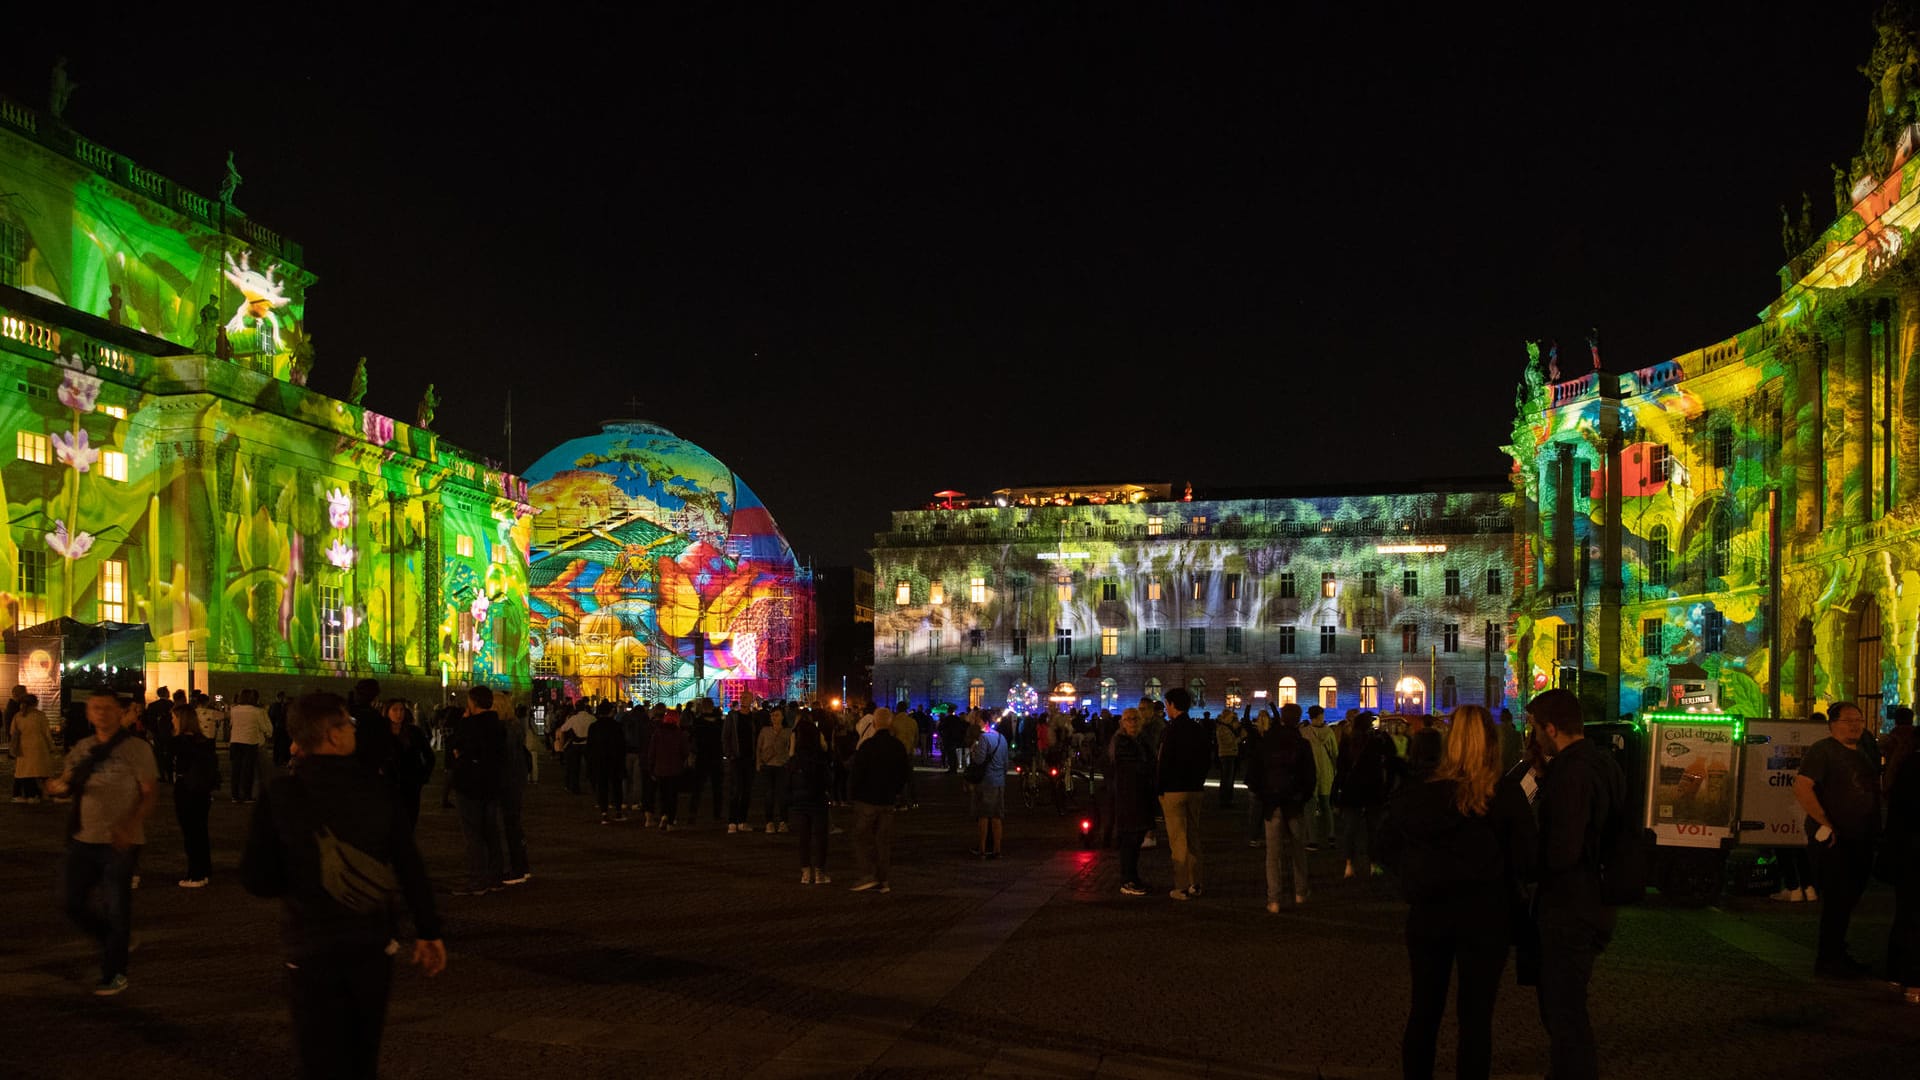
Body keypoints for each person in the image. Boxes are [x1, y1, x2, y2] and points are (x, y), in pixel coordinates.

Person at [240, 691, 446, 1079]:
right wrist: (428, 930)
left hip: (309, 942)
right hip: (370, 939)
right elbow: (408, 864)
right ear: (333, 735)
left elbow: (257, 878)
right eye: (348, 724)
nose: (353, 730)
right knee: (362, 1052)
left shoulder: (282, 793)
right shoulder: (377, 787)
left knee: (317, 1053)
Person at [1378, 705, 1537, 1080]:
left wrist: (1411, 877)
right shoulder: (1505, 796)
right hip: (1486, 918)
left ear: (1451, 742)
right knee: (1476, 1019)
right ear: (1492, 743)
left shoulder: (1420, 793)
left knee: (1424, 1011)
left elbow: (1385, 844)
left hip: (1429, 915)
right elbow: (1528, 861)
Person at [1528, 688, 1622, 1080]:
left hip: (1570, 905)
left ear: (1551, 729)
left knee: (1564, 1009)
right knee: (1566, 1005)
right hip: (1598, 899)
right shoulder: (1606, 764)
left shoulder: (1570, 773)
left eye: (1534, 729)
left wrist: (1530, 856)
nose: (1532, 738)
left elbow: (1563, 849)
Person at [46, 690, 158, 995]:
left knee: (117, 907)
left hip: (121, 842)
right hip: (84, 837)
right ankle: (113, 939)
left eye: (108, 708)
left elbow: (149, 793)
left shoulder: (136, 748)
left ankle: (114, 973)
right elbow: (67, 781)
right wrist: (56, 787)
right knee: (71, 902)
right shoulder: (83, 748)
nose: (101, 713)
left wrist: (130, 825)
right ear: (88, 714)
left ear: (120, 712)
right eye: (95, 708)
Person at [1794, 701, 1883, 977]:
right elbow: (1802, 786)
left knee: (1850, 896)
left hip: (1862, 837)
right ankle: (1829, 958)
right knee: (1837, 899)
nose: (1855, 725)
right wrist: (1825, 822)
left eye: (1859, 720)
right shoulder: (1823, 751)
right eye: (1848, 721)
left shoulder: (1865, 749)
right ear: (1833, 724)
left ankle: (1837, 951)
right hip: (1836, 840)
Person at [1249, 703, 1318, 911]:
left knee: (1273, 854)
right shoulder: (1302, 743)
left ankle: (1274, 899)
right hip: (1294, 803)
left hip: (1272, 804)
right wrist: (1302, 797)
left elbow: (1254, 774)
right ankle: (1300, 892)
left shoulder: (1266, 742)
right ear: (1298, 720)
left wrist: (1264, 796)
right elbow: (1310, 777)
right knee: (1298, 850)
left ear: (1280, 719)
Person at [447, 686, 507, 895]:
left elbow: (455, 747)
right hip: (491, 784)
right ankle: (495, 876)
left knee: (472, 833)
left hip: (469, 784)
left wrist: (463, 722)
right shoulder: (499, 725)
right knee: (491, 830)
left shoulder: (469, 724)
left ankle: (477, 879)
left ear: (473, 703)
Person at [1157, 687, 1211, 901]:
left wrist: (1160, 789)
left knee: (1178, 840)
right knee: (1194, 836)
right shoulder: (1198, 729)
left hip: (1173, 790)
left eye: (1166, 704)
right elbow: (1207, 758)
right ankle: (1196, 883)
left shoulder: (1170, 731)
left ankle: (1180, 886)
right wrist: (1199, 781)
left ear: (1171, 705)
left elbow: (1164, 762)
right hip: (1195, 789)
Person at [848, 708, 910, 892]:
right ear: (890, 724)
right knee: (883, 841)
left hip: (867, 799)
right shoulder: (897, 746)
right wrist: (895, 792)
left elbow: (857, 774)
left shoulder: (867, 746)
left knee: (861, 837)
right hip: (887, 800)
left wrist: (854, 794)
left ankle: (868, 874)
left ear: (874, 724)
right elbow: (904, 773)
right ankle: (884, 880)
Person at [1334, 712, 1397, 879]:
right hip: (1373, 791)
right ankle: (1373, 864)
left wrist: (1336, 793)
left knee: (1350, 830)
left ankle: (1349, 865)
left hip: (1351, 791)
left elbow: (1341, 770)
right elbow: (1391, 759)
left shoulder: (1348, 742)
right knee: (1373, 830)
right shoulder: (1377, 741)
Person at [1884, 739, 1920, 1005]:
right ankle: (1912, 979)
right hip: (1913, 853)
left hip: (1906, 852)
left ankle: (1897, 973)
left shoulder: (1908, 763)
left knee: (1907, 913)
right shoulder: (1914, 766)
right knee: (1913, 916)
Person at [170, 702, 220, 887]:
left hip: (186, 789)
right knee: (200, 831)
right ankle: (204, 870)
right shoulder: (204, 742)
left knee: (190, 833)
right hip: (202, 791)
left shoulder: (179, 743)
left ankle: (195, 874)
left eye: (174, 717)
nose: (172, 721)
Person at [1109, 707, 1157, 896]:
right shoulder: (1122, 742)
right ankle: (1127, 880)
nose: (1133, 722)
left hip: (1139, 795)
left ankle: (1133, 876)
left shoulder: (1140, 740)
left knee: (1136, 839)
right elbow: (1136, 767)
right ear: (1122, 722)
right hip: (1128, 797)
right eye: (1129, 719)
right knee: (1129, 839)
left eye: (1135, 719)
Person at [787, 716, 834, 883]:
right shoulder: (819, 757)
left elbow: (788, 778)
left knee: (803, 837)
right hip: (818, 800)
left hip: (800, 802)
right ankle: (820, 872)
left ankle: (805, 873)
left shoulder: (796, 759)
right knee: (820, 837)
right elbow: (829, 780)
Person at [386, 700, 435, 832]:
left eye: (401, 710)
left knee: (409, 818)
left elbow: (429, 755)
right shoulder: (382, 733)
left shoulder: (414, 732)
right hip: (389, 783)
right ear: (387, 712)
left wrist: (424, 775)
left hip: (411, 783)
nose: (399, 714)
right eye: (395, 710)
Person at [497, 703, 532, 885]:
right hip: (516, 780)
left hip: (508, 782)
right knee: (514, 825)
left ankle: (516, 869)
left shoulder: (506, 730)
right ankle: (522, 867)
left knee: (509, 825)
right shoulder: (516, 727)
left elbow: (505, 758)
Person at [968, 709, 1008, 859]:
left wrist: (973, 750)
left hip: (986, 781)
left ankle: (983, 849)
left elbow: (979, 760)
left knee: (984, 816)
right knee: (997, 817)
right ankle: (997, 849)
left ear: (984, 722)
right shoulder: (1001, 738)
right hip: (999, 782)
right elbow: (1005, 762)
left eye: (978, 720)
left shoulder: (984, 738)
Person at [9, 692, 56, 802]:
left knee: (23, 772)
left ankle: (24, 795)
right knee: (43, 772)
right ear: (35, 703)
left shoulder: (18, 716)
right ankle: (44, 793)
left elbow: (12, 732)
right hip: (39, 747)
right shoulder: (40, 716)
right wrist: (51, 747)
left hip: (22, 748)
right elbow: (46, 733)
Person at [649, 709, 690, 830]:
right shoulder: (680, 734)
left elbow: (652, 752)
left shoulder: (658, 733)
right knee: (672, 796)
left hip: (660, 768)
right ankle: (670, 820)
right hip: (675, 769)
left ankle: (663, 815)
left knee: (663, 794)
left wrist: (652, 767)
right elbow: (685, 752)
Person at [228, 688, 271, 803]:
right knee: (248, 770)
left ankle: (235, 795)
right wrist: (268, 733)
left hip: (235, 741)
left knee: (236, 769)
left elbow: (231, 724)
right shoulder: (256, 711)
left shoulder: (234, 709)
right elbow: (263, 727)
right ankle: (246, 795)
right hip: (250, 742)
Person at [588, 703, 627, 823]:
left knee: (602, 787)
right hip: (615, 760)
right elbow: (622, 745)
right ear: (611, 712)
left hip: (599, 760)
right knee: (616, 786)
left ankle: (604, 813)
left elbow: (590, 746)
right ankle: (618, 811)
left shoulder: (594, 727)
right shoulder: (617, 726)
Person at [686, 702, 724, 825]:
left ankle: (693, 813)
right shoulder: (719, 722)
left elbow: (692, 738)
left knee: (697, 788)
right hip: (716, 756)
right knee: (717, 788)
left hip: (702, 756)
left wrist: (692, 754)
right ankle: (717, 814)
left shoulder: (698, 722)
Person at [723, 704, 757, 833]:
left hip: (749, 759)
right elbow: (726, 736)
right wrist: (729, 754)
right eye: (742, 697)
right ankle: (732, 821)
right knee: (736, 790)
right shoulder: (733, 717)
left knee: (747, 791)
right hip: (736, 758)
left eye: (746, 697)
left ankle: (742, 820)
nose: (743, 700)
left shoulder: (753, 718)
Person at [758, 708, 791, 832]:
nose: (774, 718)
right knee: (769, 795)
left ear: (782, 717)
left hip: (782, 766)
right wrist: (759, 762)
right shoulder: (765, 731)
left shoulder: (788, 732)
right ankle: (769, 822)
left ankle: (783, 821)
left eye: (777, 715)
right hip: (768, 765)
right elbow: (759, 747)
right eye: (772, 716)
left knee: (783, 795)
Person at [558, 700, 592, 795]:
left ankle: (575, 787)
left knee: (575, 768)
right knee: (589, 767)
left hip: (575, 745)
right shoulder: (591, 718)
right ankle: (591, 786)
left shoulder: (573, 719)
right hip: (588, 745)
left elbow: (563, 728)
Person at [1214, 707, 1244, 809]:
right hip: (1227, 755)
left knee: (1228, 779)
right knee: (1227, 779)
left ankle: (1227, 799)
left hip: (1229, 754)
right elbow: (1229, 742)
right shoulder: (1223, 728)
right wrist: (1241, 738)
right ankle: (1225, 800)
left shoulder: (1224, 727)